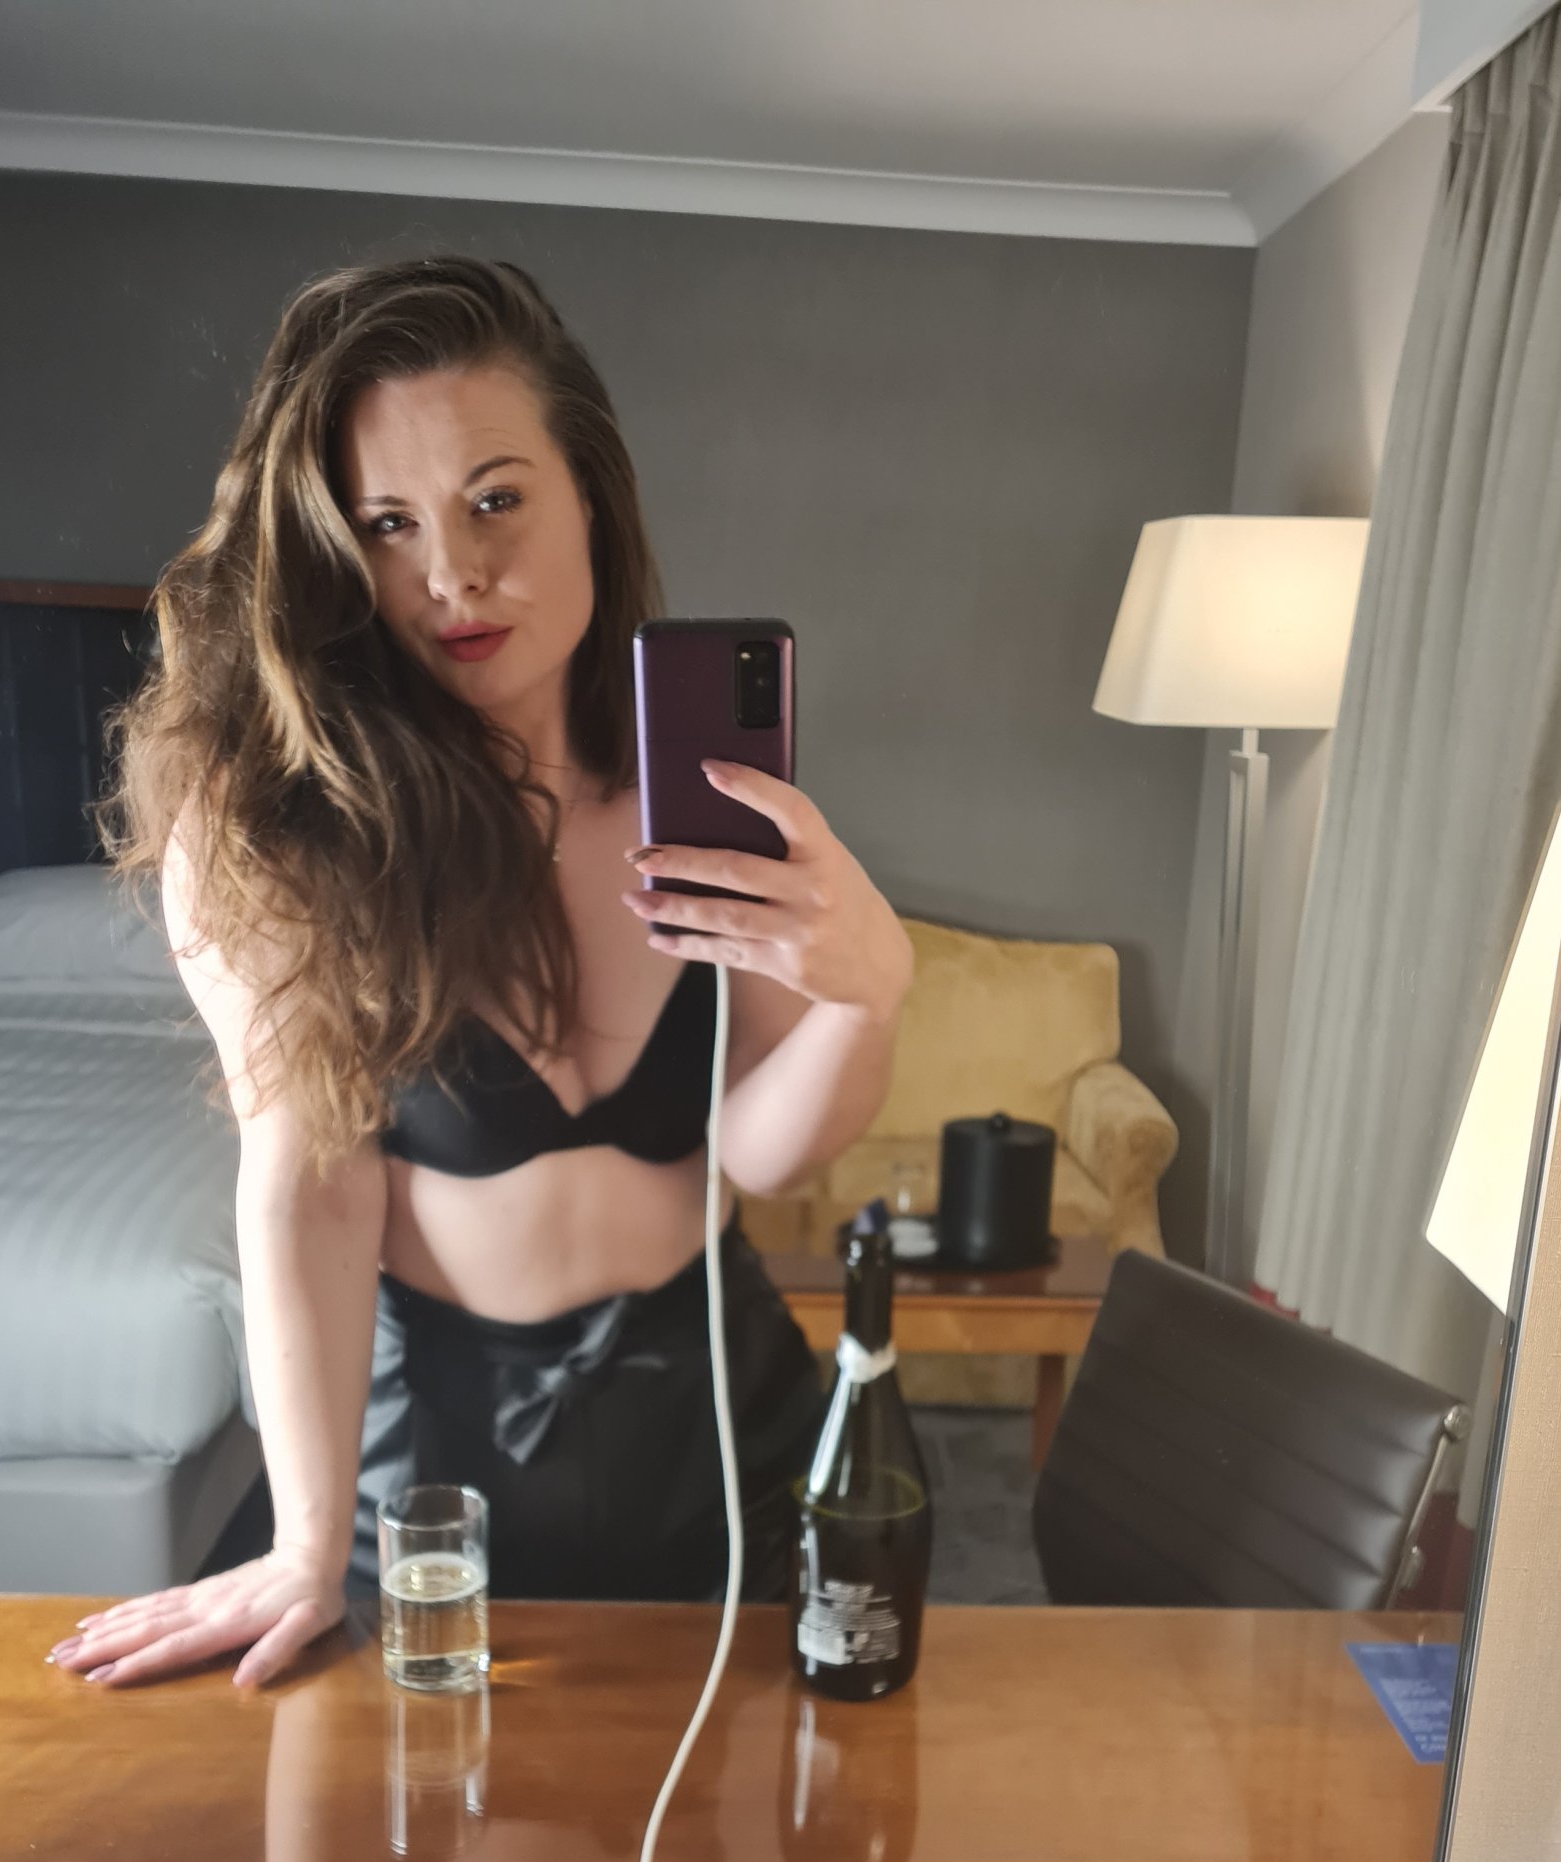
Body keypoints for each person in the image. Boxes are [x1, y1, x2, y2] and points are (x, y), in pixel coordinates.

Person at [47, 256, 912, 1691]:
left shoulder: (704, 792)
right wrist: (304, 1541)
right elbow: (310, 1180)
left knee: (750, 1805)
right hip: (436, 1465)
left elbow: (757, 1150)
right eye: (387, 524)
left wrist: (865, 995)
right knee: (418, 1807)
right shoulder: (277, 826)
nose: (450, 573)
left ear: (592, 495)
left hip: (721, 1414)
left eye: (494, 500)